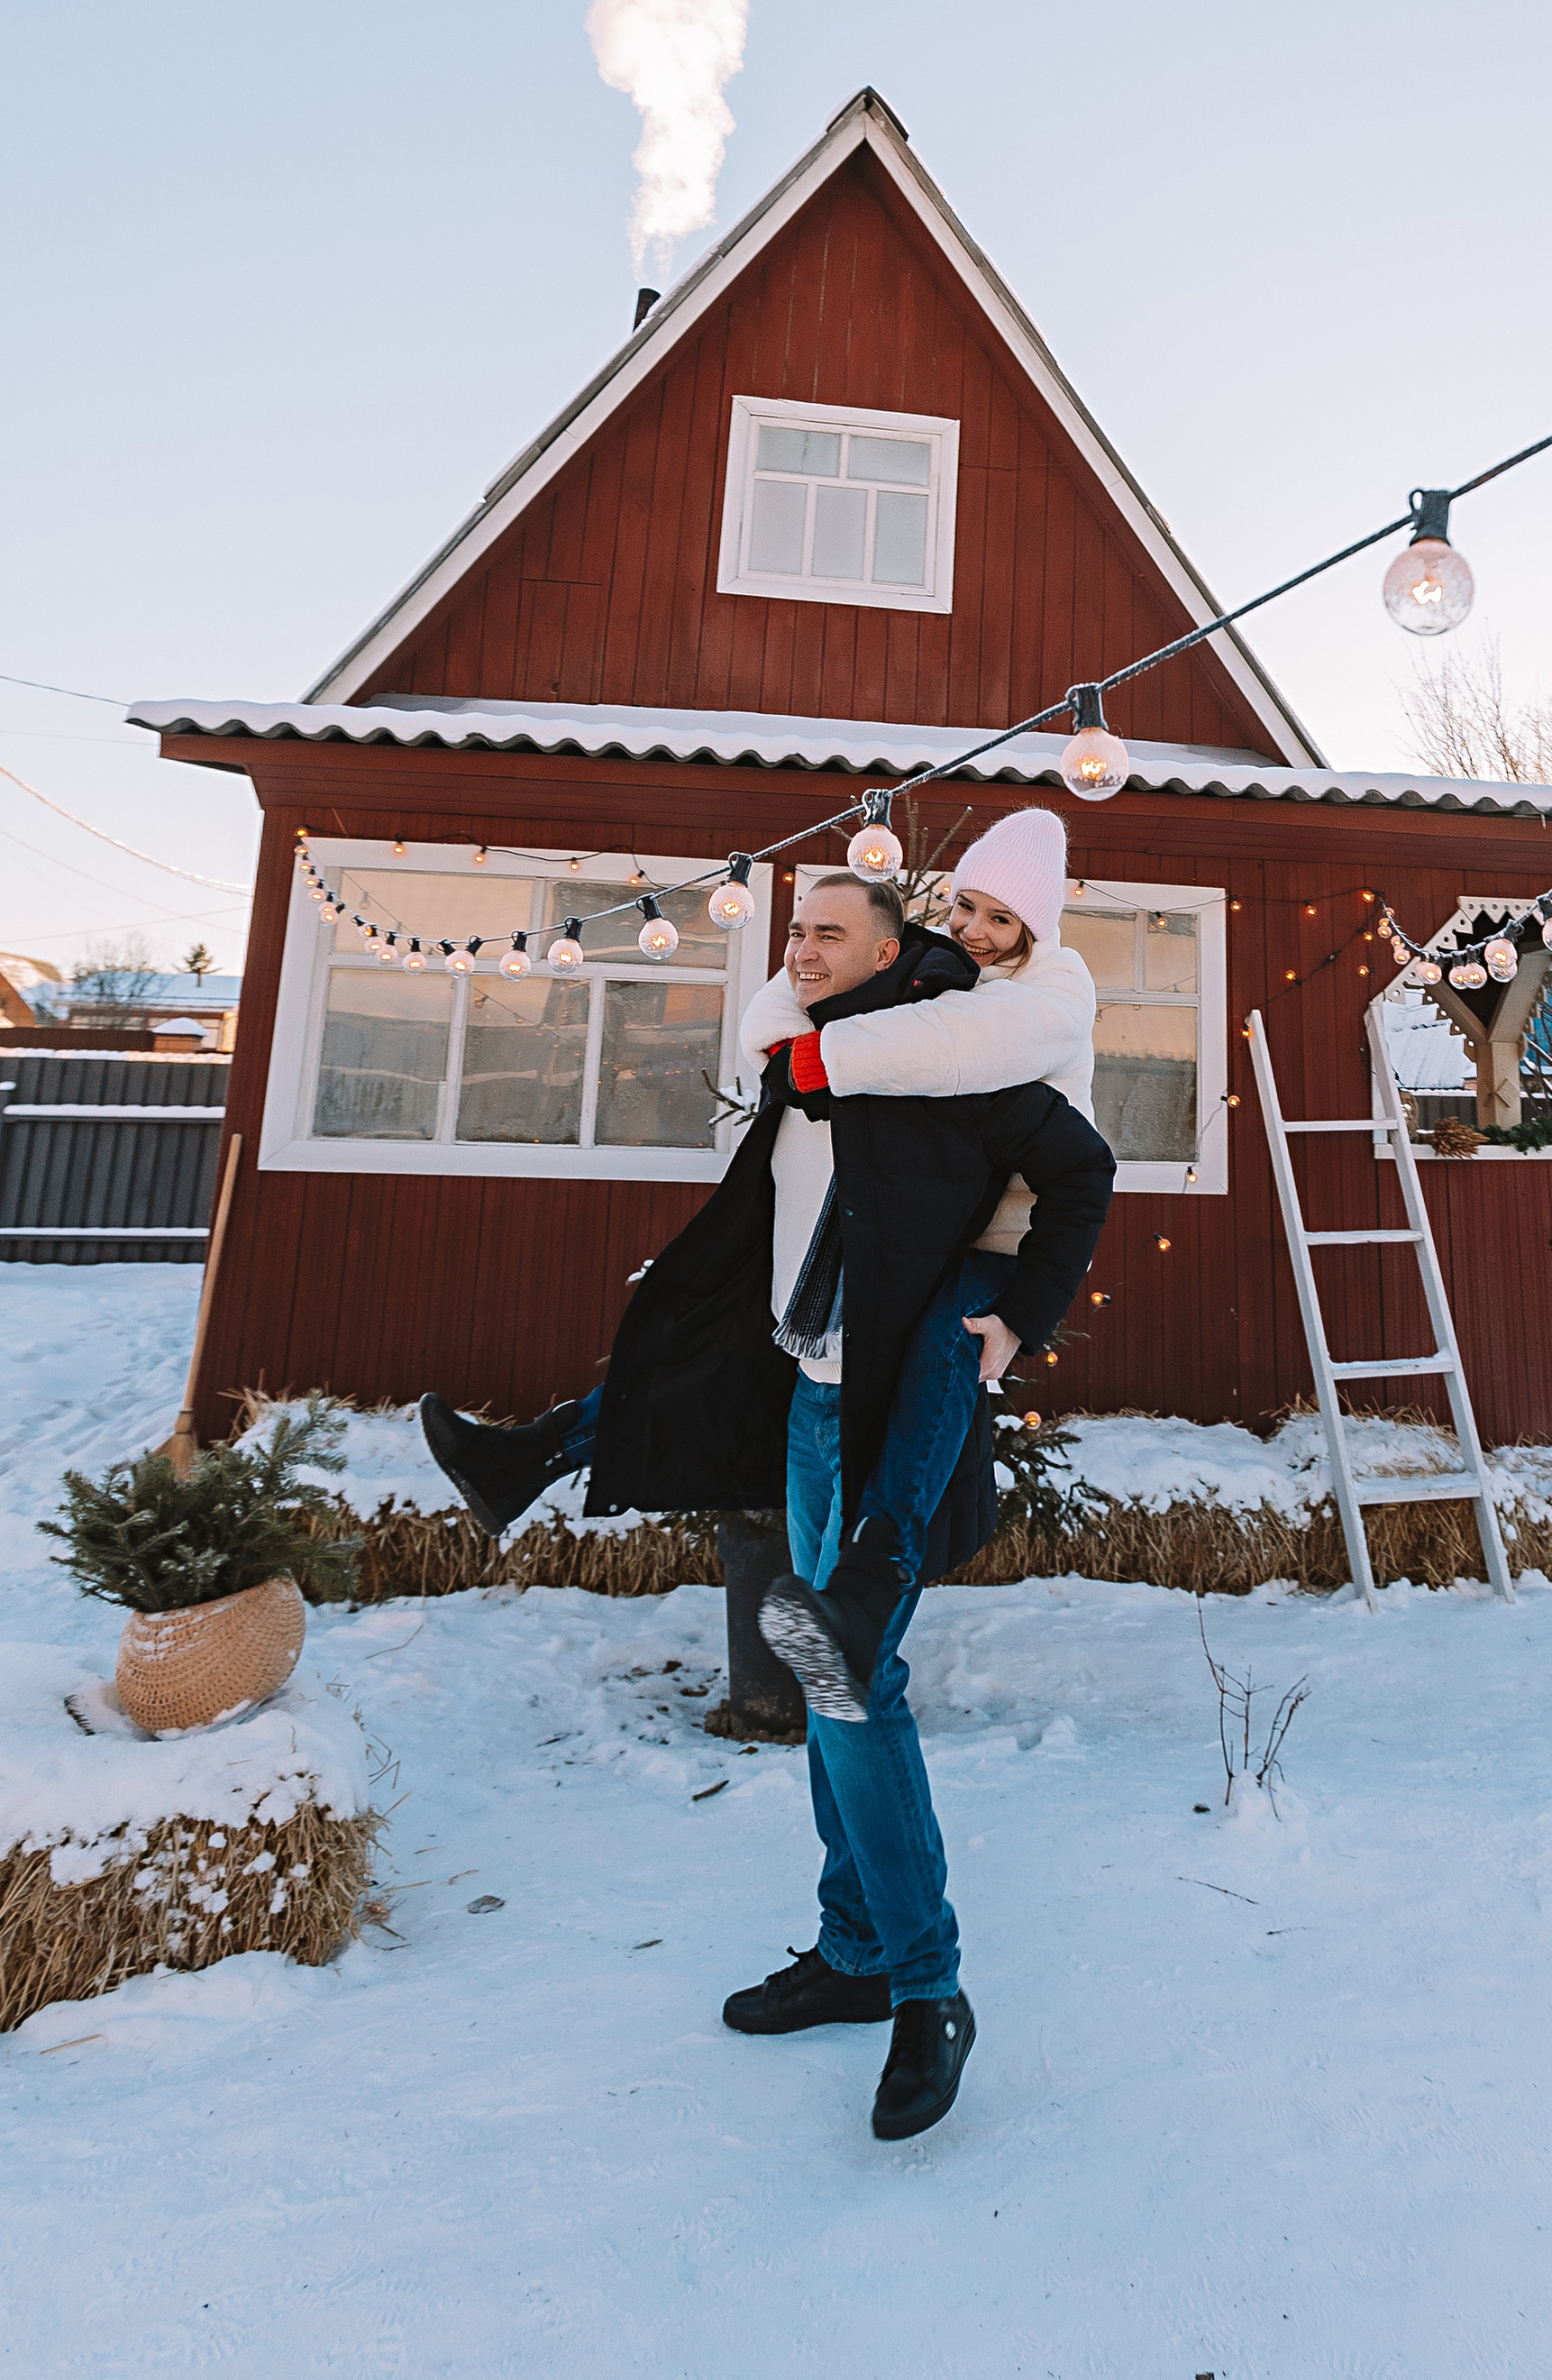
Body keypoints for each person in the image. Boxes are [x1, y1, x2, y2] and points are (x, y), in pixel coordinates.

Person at [418, 852, 1113, 2144]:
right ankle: (857, 1950)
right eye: (797, 929)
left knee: (858, 1688)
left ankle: (925, 1987)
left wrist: (1019, 1313)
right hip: (806, 1397)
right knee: (832, 1692)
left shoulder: (959, 1072)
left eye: (831, 932)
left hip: (888, 1403)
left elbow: (1082, 1172)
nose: (802, 948)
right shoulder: (813, 1064)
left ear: (896, 953)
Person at [745, 808, 1096, 1719]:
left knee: (944, 1351)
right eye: (966, 908)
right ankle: (854, 1609)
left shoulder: (1046, 992)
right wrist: (808, 1035)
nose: (977, 931)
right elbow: (792, 1005)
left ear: (1034, 930)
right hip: (938, 1236)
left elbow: (967, 1054)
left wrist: (1025, 1313)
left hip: (1001, 1245)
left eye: (1001, 920)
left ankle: (866, 1593)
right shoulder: (949, 973)